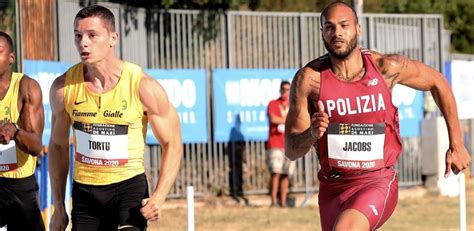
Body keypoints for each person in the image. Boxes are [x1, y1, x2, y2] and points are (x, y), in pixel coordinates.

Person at [284, 1, 471, 231]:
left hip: (376, 181)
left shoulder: (384, 68)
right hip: (332, 187)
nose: (337, 33)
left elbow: (437, 81)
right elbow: (292, 150)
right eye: (330, 27)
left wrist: (457, 143)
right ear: (321, 31)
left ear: (358, 28)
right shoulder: (309, 80)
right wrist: (311, 134)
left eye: (344, 25)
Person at [48, 5, 183, 231]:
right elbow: (58, 146)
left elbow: (173, 143)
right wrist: (59, 207)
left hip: (128, 189)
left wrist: (159, 196)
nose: (83, 42)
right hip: (86, 192)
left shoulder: (143, 86)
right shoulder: (64, 88)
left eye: (92, 35)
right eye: (78, 36)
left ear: (113, 38)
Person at [0, 31, 45, 230]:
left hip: (20, 184)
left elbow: (36, 146)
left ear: (11, 58)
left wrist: (16, 132)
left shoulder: (26, 87)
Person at [266, 80, 295, 207]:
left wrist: (284, 121)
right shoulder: (273, 103)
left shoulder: (294, 105)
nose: (285, 92)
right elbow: (273, 118)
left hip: (289, 144)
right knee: (275, 172)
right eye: (283, 89)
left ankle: (282, 203)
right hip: (275, 143)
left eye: (288, 89)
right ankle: (273, 202)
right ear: (280, 90)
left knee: (286, 174)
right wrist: (288, 120)